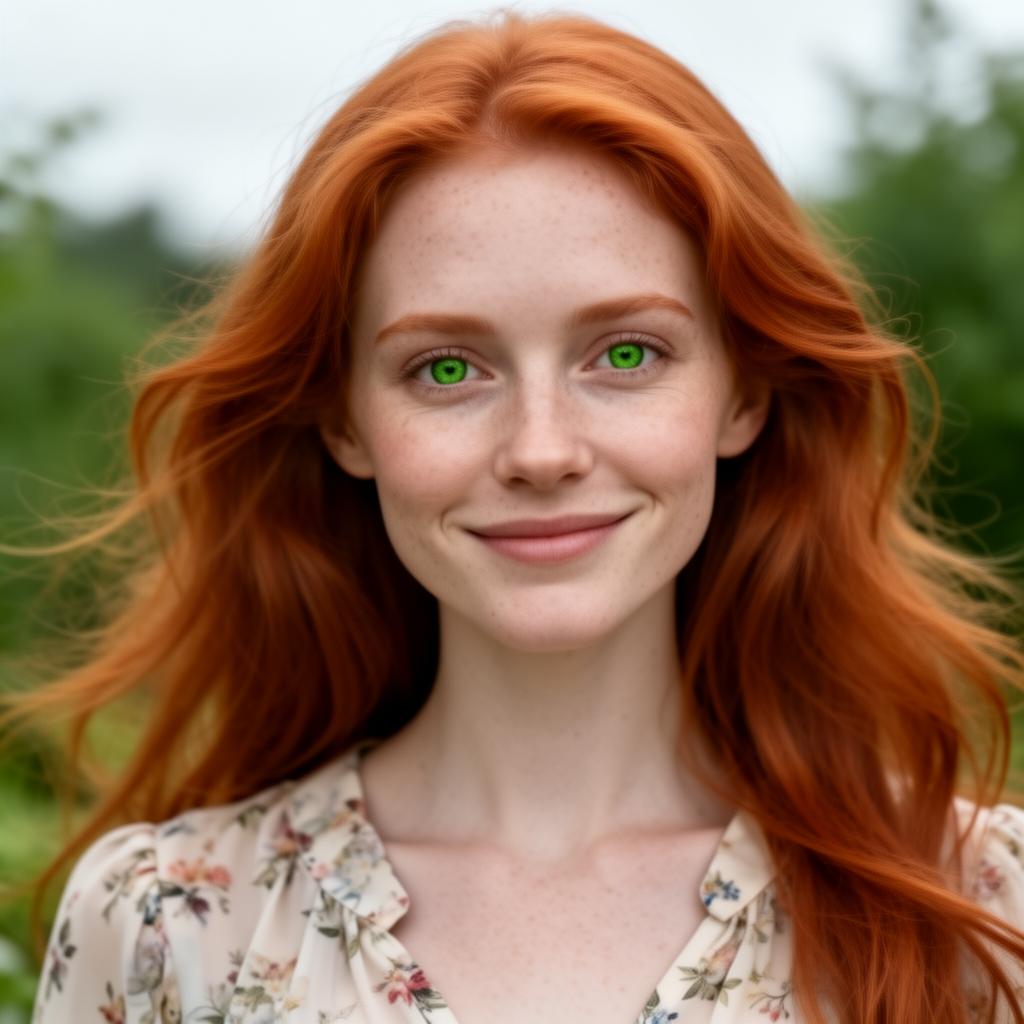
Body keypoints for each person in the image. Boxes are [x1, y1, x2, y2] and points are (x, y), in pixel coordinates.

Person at [5, 8, 1024, 1023]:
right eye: (446, 368)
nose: (541, 450)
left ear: (743, 393)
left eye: (626, 354)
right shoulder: (163, 926)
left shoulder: (978, 908)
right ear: (344, 422)